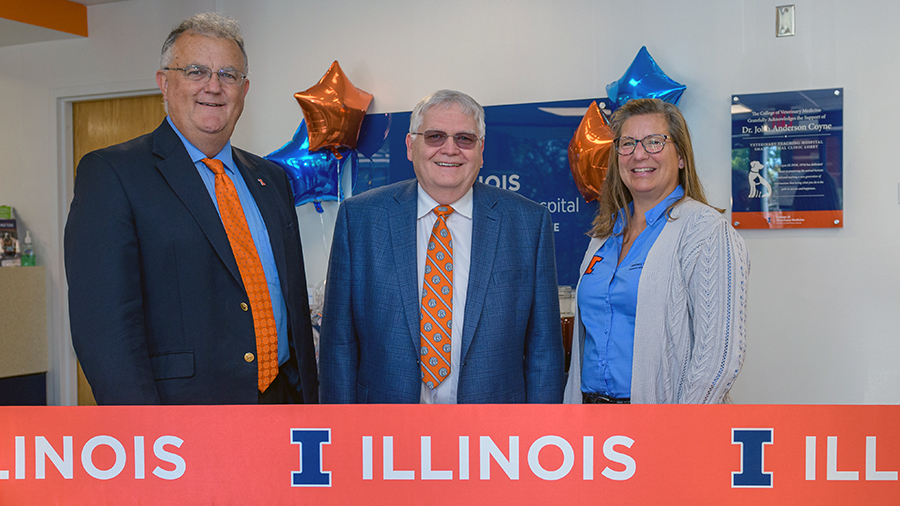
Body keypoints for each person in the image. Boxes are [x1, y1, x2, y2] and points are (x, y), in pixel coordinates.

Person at [65, 13, 318, 405]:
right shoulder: (113, 175)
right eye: (196, 71)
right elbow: (105, 330)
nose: (213, 87)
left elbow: (292, 302)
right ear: (164, 83)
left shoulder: (271, 179)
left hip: (283, 403)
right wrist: (145, 438)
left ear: (244, 89)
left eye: (228, 75)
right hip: (182, 420)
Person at [319, 89, 564, 403]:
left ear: (481, 150)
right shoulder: (360, 218)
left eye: (465, 139)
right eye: (435, 136)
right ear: (410, 146)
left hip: (493, 433)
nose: (450, 149)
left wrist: (538, 437)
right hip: (385, 430)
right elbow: (338, 344)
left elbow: (544, 351)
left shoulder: (529, 223)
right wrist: (342, 434)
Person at [564, 98, 749, 404]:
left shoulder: (705, 231)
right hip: (589, 419)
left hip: (661, 425)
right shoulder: (605, 233)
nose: (639, 154)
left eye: (654, 142)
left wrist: (674, 431)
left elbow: (718, 358)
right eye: (627, 143)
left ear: (680, 156)